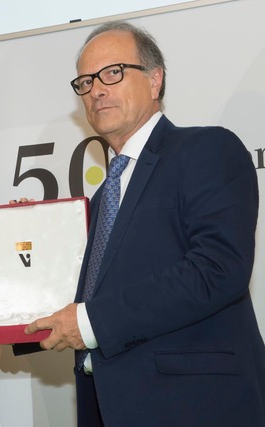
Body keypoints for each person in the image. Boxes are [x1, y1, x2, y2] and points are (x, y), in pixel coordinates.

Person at [24, 21, 265, 426]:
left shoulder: (207, 149)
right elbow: (91, 295)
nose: (96, 90)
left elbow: (218, 269)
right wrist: (10, 271)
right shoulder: (102, 198)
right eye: (86, 81)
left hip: (195, 407)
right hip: (107, 406)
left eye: (112, 73)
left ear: (155, 80)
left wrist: (90, 323)